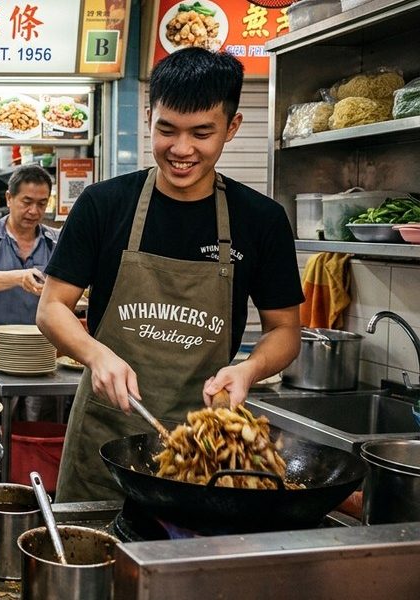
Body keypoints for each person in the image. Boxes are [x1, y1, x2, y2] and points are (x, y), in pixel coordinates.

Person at [35, 48, 303, 502]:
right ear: (148, 118)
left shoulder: (261, 219)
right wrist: (97, 356)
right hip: (106, 432)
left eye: (202, 133)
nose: (181, 150)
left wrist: (248, 370)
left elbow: (285, 330)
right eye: (167, 129)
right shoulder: (104, 205)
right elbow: (52, 307)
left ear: (231, 127)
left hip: (204, 444)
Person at [0, 165, 57, 326]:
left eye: (42, 204)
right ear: (9, 198)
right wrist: (20, 278)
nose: (34, 211)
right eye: (27, 202)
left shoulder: (55, 240)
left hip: (43, 341)